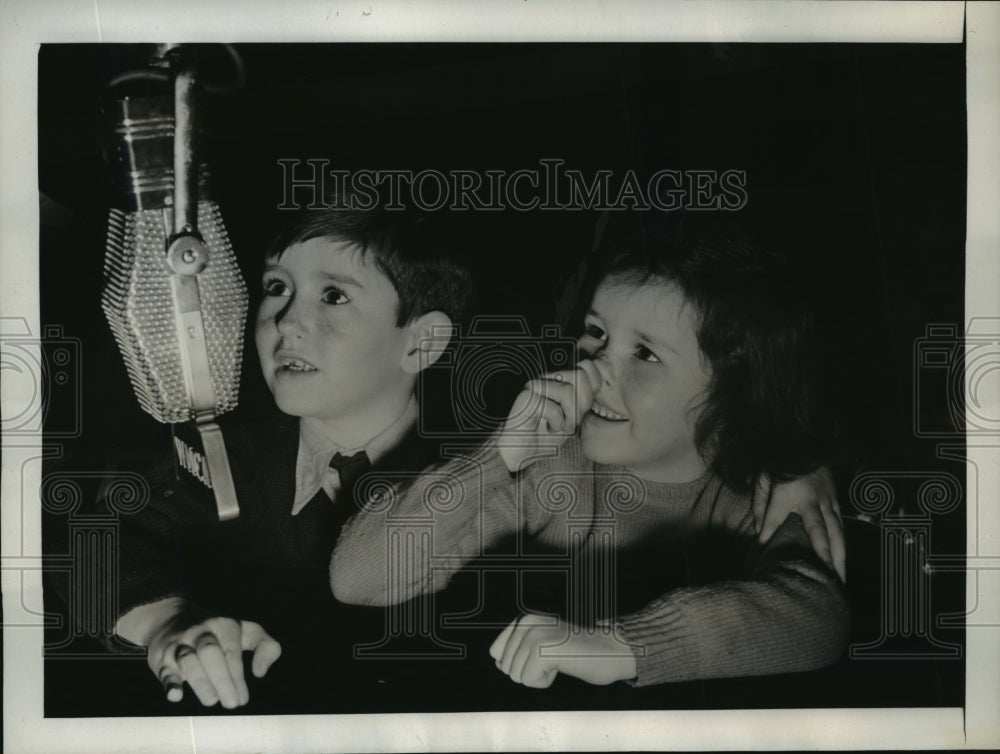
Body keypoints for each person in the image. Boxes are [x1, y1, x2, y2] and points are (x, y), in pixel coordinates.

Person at [331, 212, 850, 689]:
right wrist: (498, 457)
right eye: (596, 333)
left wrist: (622, 646)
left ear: (733, 391)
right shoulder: (551, 472)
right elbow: (357, 578)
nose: (594, 368)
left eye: (644, 353)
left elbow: (819, 618)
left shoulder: (759, 497)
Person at [110, 200, 474, 709]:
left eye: (333, 295)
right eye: (277, 287)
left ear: (421, 343)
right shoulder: (222, 459)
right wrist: (164, 621)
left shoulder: (485, 481)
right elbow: (88, 538)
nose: (285, 322)